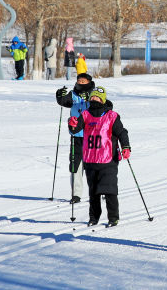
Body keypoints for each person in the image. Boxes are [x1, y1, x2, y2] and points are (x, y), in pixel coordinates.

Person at [68, 86, 130, 227]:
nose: (94, 99)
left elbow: (122, 132)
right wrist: (72, 124)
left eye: (97, 97)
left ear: (102, 100)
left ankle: (113, 218)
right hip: (90, 160)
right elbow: (75, 129)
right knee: (93, 193)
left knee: (109, 190)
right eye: (92, 97)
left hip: (108, 160)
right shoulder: (85, 115)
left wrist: (126, 146)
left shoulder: (111, 116)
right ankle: (93, 218)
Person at [56, 72, 95, 203]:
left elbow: (105, 106)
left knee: (93, 166)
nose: (81, 83)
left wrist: (89, 98)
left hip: (92, 136)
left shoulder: (94, 94)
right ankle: (76, 194)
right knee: (75, 165)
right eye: (79, 81)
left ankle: (96, 192)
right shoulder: (73, 94)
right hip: (76, 136)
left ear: (89, 82)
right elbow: (63, 102)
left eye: (84, 82)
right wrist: (59, 95)